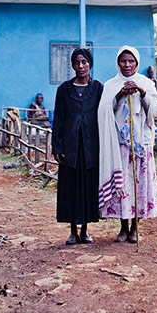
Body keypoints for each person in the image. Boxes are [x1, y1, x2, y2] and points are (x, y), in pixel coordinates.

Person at [98, 46, 157, 243]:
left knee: (138, 184)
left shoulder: (146, 83)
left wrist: (142, 93)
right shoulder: (110, 85)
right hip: (120, 143)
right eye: (123, 61)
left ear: (137, 63)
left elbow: (155, 109)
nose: (127, 65)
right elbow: (103, 111)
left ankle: (135, 227)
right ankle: (123, 227)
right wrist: (119, 94)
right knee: (123, 184)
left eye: (131, 61)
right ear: (118, 62)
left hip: (141, 141)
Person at [52, 47, 103, 245]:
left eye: (84, 62)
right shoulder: (64, 89)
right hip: (70, 148)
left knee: (88, 188)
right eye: (77, 62)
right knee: (70, 189)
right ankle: (73, 230)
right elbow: (58, 120)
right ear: (72, 65)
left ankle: (86, 230)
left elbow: (105, 116)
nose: (81, 66)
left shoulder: (98, 88)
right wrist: (57, 148)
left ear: (90, 64)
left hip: (91, 148)